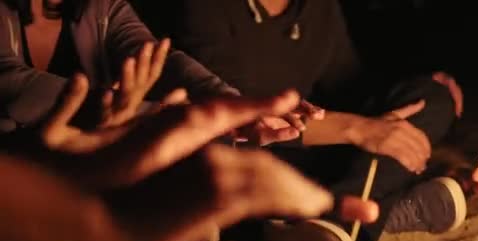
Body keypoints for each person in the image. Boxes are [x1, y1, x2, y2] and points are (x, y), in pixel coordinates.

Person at [0, 74, 380, 241]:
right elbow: (17, 88)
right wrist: (98, 220)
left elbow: (174, 65)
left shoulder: (100, 11)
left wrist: (219, 109)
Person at [171, 0, 478, 241]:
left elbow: (349, 88)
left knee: (430, 97)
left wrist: (414, 105)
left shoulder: (316, 7)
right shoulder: (206, 9)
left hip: (313, 151)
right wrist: (360, 129)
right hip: (250, 153)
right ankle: (376, 213)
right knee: (220, 155)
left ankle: (337, 220)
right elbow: (231, 116)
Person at [0, 0, 323, 146]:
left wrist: (237, 107)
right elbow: (16, 88)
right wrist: (157, 116)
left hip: (76, 183)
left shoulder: (102, 8)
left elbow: (160, 61)